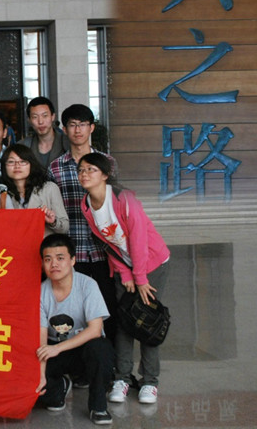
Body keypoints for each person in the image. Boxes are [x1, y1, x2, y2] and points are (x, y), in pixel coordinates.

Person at [78, 152, 171, 405]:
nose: (85, 174)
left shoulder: (124, 198)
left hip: (152, 263)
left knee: (147, 319)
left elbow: (138, 239)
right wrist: (125, 272)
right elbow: (108, 244)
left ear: (105, 175)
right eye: (82, 170)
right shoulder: (86, 204)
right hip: (126, 269)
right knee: (123, 321)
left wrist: (139, 277)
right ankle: (122, 378)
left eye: (91, 170)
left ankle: (150, 381)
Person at [48, 104, 118, 340]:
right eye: (72, 125)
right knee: (75, 311)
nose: (77, 130)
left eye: (82, 124)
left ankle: (111, 359)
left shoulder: (107, 162)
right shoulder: (55, 167)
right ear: (64, 129)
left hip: (104, 250)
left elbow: (116, 204)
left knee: (109, 307)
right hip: (73, 250)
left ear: (91, 128)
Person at [36, 234, 115, 425]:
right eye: (48, 259)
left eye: (60, 258)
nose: (54, 264)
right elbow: (41, 339)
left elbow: (95, 330)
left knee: (101, 349)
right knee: (32, 378)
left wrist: (57, 348)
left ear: (72, 260)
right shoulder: (40, 292)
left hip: (83, 350)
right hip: (54, 351)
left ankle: (98, 407)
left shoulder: (88, 285)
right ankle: (60, 388)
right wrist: (40, 376)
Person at [1, 144, 69, 236]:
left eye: (23, 161)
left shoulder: (49, 188)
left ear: (31, 164)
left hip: (44, 244)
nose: (17, 166)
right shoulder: (2, 194)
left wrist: (53, 222)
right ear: (4, 166)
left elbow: (65, 227)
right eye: (11, 162)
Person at [19, 97, 69, 170]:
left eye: (45, 116)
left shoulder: (68, 143)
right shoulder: (23, 146)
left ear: (53, 116)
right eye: (35, 117)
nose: (40, 121)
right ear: (29, 120)